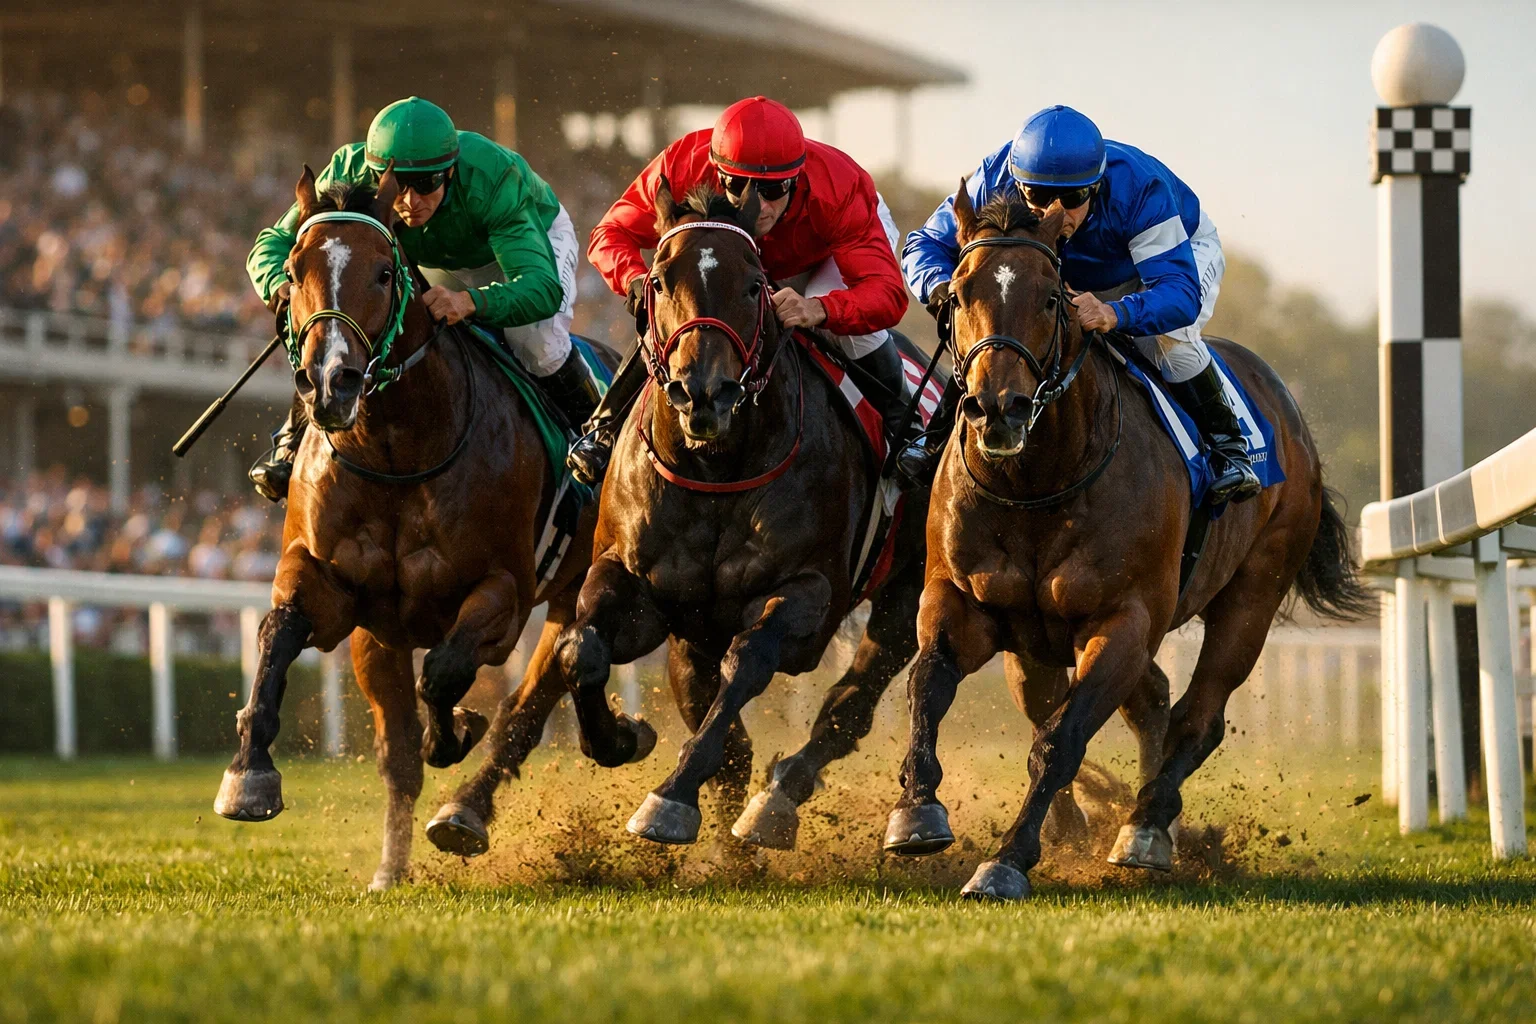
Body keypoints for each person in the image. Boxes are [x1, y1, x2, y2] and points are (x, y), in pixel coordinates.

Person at [244, 96, 601, 502]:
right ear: (377, 173)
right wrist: (283, 288)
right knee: (343, 322)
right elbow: (272, 245)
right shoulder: (348, 171)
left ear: (450, 170)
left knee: (539, 345)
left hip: (519, 249)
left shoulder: (491, 178)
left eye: (428, 184)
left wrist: (471, 303)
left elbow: (540, 289)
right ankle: (291, 441)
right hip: (432, 257)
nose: (411, 201)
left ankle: (597, 436)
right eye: (398, 186)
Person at [900, 105, 1261, 505]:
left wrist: (1116, 312)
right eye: (1037, 196)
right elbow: (924, 245)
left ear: (1096, 186)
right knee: (998, 328)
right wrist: (941, 290)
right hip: (1060, 269)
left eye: (1071, 198)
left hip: (1163, 263)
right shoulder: (996, 177)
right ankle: (935, 439)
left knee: (1169, 341)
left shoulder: (1139, 190)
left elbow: (1179, 293)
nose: (1053, 211)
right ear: (1020, 184)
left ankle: (1229, 445)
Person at [570, 95, 911, 486]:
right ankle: (604, 428)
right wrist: (636, 281)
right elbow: (610, 234)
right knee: (671, 303)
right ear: (717, 171)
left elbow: (887, 294)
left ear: (796, 177)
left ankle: (907, 432)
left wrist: (819, 308)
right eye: (736, 185)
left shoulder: (839, 189)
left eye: (774, 189)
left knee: (854, 332)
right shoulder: (683, 164)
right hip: (735, 263)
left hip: (822, 257)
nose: (758, 206)